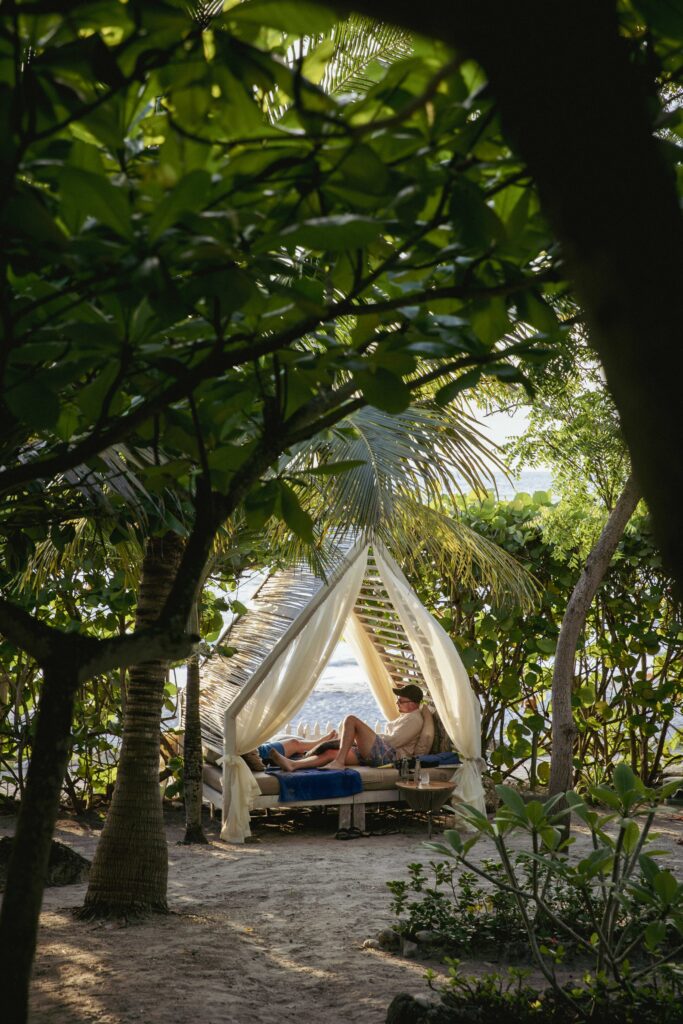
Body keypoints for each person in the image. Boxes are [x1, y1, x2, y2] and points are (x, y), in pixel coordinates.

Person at [267, 684, 425, 773]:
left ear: (412, 703)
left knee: (351, 720)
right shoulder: (407, 716)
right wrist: (362, 738)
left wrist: (362, 736)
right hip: (382, 751)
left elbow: (393, 742)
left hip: (390, 757)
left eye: (401, 701)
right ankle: (293, 765)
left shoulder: (414, 720)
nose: (397, 703)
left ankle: (339, 762)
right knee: (330, 752)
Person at [257, 728, 337, 765]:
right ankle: (318, 743)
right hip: (261, 752)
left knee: (294, 743)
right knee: (294, 743)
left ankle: (317, 743)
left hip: (259, 748)